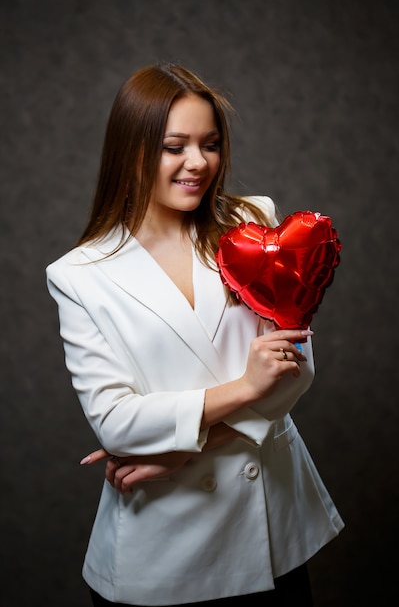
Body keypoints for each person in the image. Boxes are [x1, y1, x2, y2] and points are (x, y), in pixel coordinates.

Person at [46, 63, 344, 607]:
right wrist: (245, 388)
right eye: (173, 146)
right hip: (162, 548)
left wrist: (184, 449)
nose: (198, 163)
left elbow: (294, 367)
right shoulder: (78, 275)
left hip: (272, 531)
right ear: (131, 152)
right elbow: (116, 422)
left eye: (210, 144)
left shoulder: (253, 223)